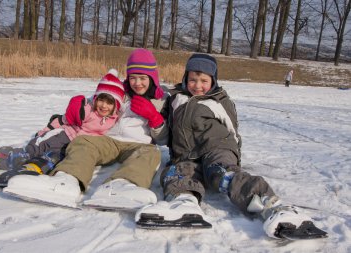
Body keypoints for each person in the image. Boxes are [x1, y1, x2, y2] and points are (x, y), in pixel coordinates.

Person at [135, 54, 327, 240]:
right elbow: (162, 121)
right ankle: (183, 203)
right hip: (186, 155)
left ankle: (271, 206)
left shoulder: (219, 100)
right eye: (193, 79)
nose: (198, 85)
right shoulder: (175, 98)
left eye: (204, 80)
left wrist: (232, 157)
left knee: (223, 173)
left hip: (217, 147)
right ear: (186, 78)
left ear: (213, 80)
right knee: (178, 172)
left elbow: (233, 131)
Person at [2, 48, 169, 210]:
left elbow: (163, 139)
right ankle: (66, 180)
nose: (137, 83)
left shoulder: (161, 100)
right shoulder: (119, 91)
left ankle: (122, 185)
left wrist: (154, 117)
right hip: (108, 140)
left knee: (151, 153)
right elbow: (92, 103)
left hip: (138, 144)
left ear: (152, 77)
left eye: (142, 78)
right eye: (133, 78)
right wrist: (78, 106)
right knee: (84, 141)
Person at [0, 70, 125, 186]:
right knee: (30, 152)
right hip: (62, 137)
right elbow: (63, 119)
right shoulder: (87, 110)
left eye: (109, 102)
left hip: (75, 148)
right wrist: (46, 131)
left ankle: (26, 171)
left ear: (116, 105)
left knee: (50, 160)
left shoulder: (114, 120)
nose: (104, 106)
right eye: (101, 100)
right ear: (95, 99)